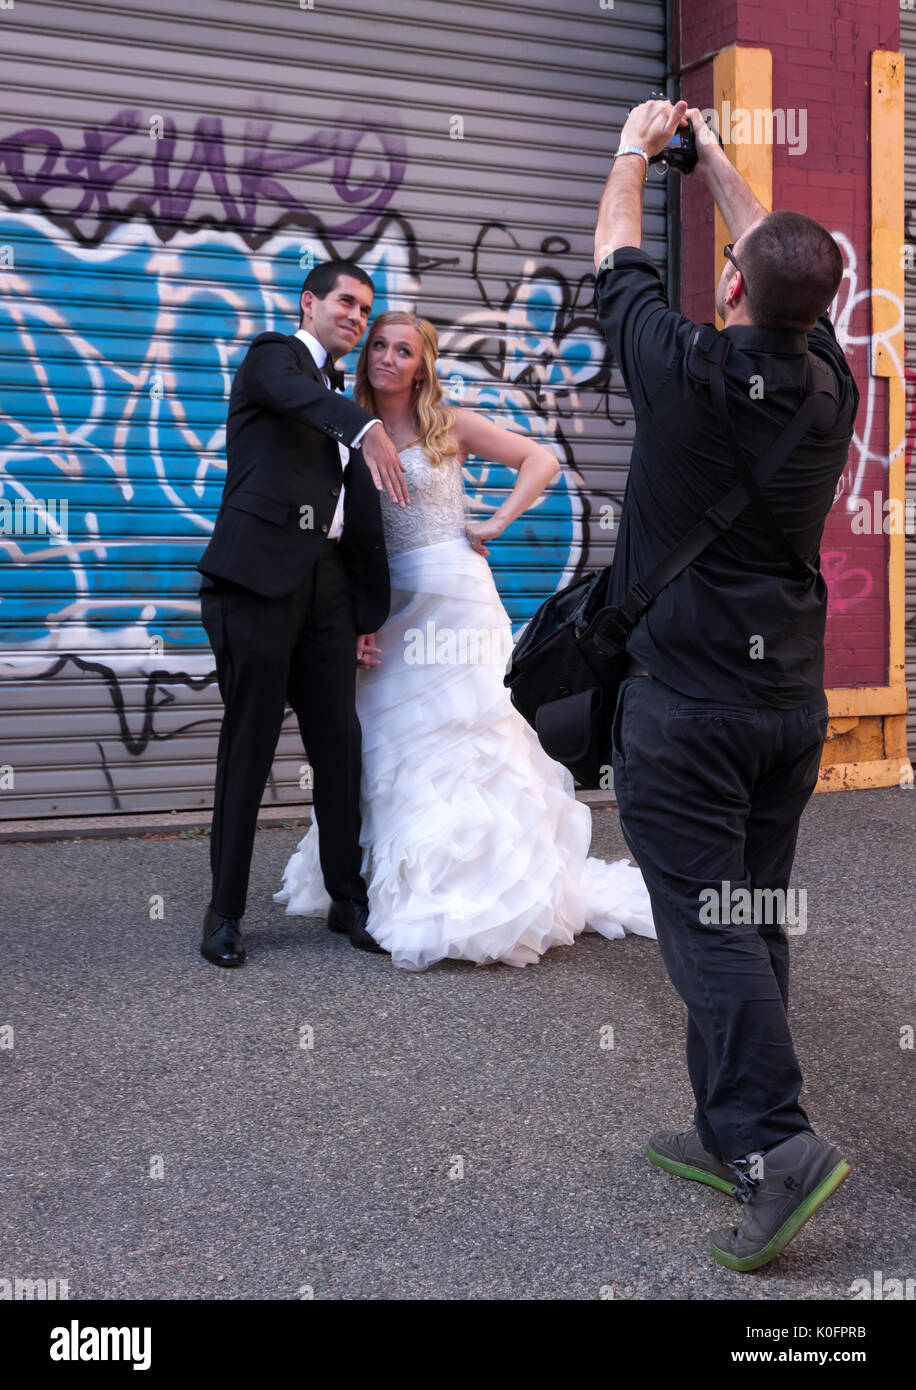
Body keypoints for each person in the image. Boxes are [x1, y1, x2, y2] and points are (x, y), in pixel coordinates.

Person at [592, 99, 858, 1270]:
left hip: (687, 710)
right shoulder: (830, 388)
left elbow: (614, 258)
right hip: (786, 708)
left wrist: (635, 151)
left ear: (735, 294)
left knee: (708, 925)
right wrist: (709, 166)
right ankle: (730, 1136)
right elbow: (785, 262)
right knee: (752, 913)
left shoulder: (687, 370)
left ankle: (777, 1142)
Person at [275, 310, 656, 968]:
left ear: (422, 365)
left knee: (467, 740)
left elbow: (540, 460)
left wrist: (499, 519)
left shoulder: (448, 425)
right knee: (386, 740)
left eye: (403, 351)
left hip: (455, 598)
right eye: (379, 348)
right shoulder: (346, 428)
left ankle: (469, 887)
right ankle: (376, 882)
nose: (387, 359)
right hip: (388, 605)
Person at [196, 260, 410, 967]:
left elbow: (353, 516)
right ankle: (223, 913)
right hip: (258, 581)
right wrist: (366, 430)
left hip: (325, 588)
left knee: (338, 746)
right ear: (309, 302)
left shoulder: (338, 390)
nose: (355, 316)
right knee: (249, 747)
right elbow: (296, 399)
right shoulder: (273, 359)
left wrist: (364, 608)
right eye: (345, 302)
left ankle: (348, 901)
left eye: (364, 308)